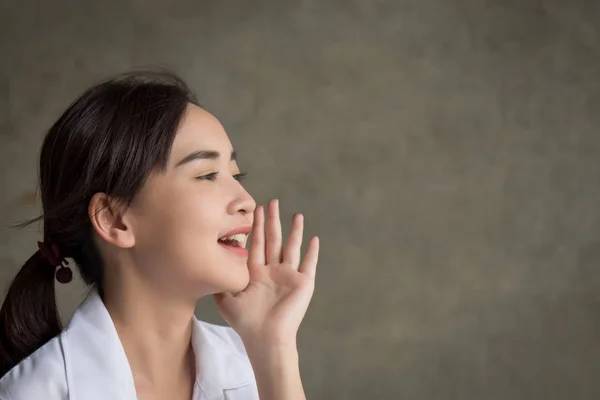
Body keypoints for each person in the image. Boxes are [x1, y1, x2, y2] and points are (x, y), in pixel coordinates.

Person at [0, 71, 319, 400]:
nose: (247, 202)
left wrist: (274, 347)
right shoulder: (35, 392)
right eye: (208, 175)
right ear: (114, 220)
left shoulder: (252, 364)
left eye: (236, 174)